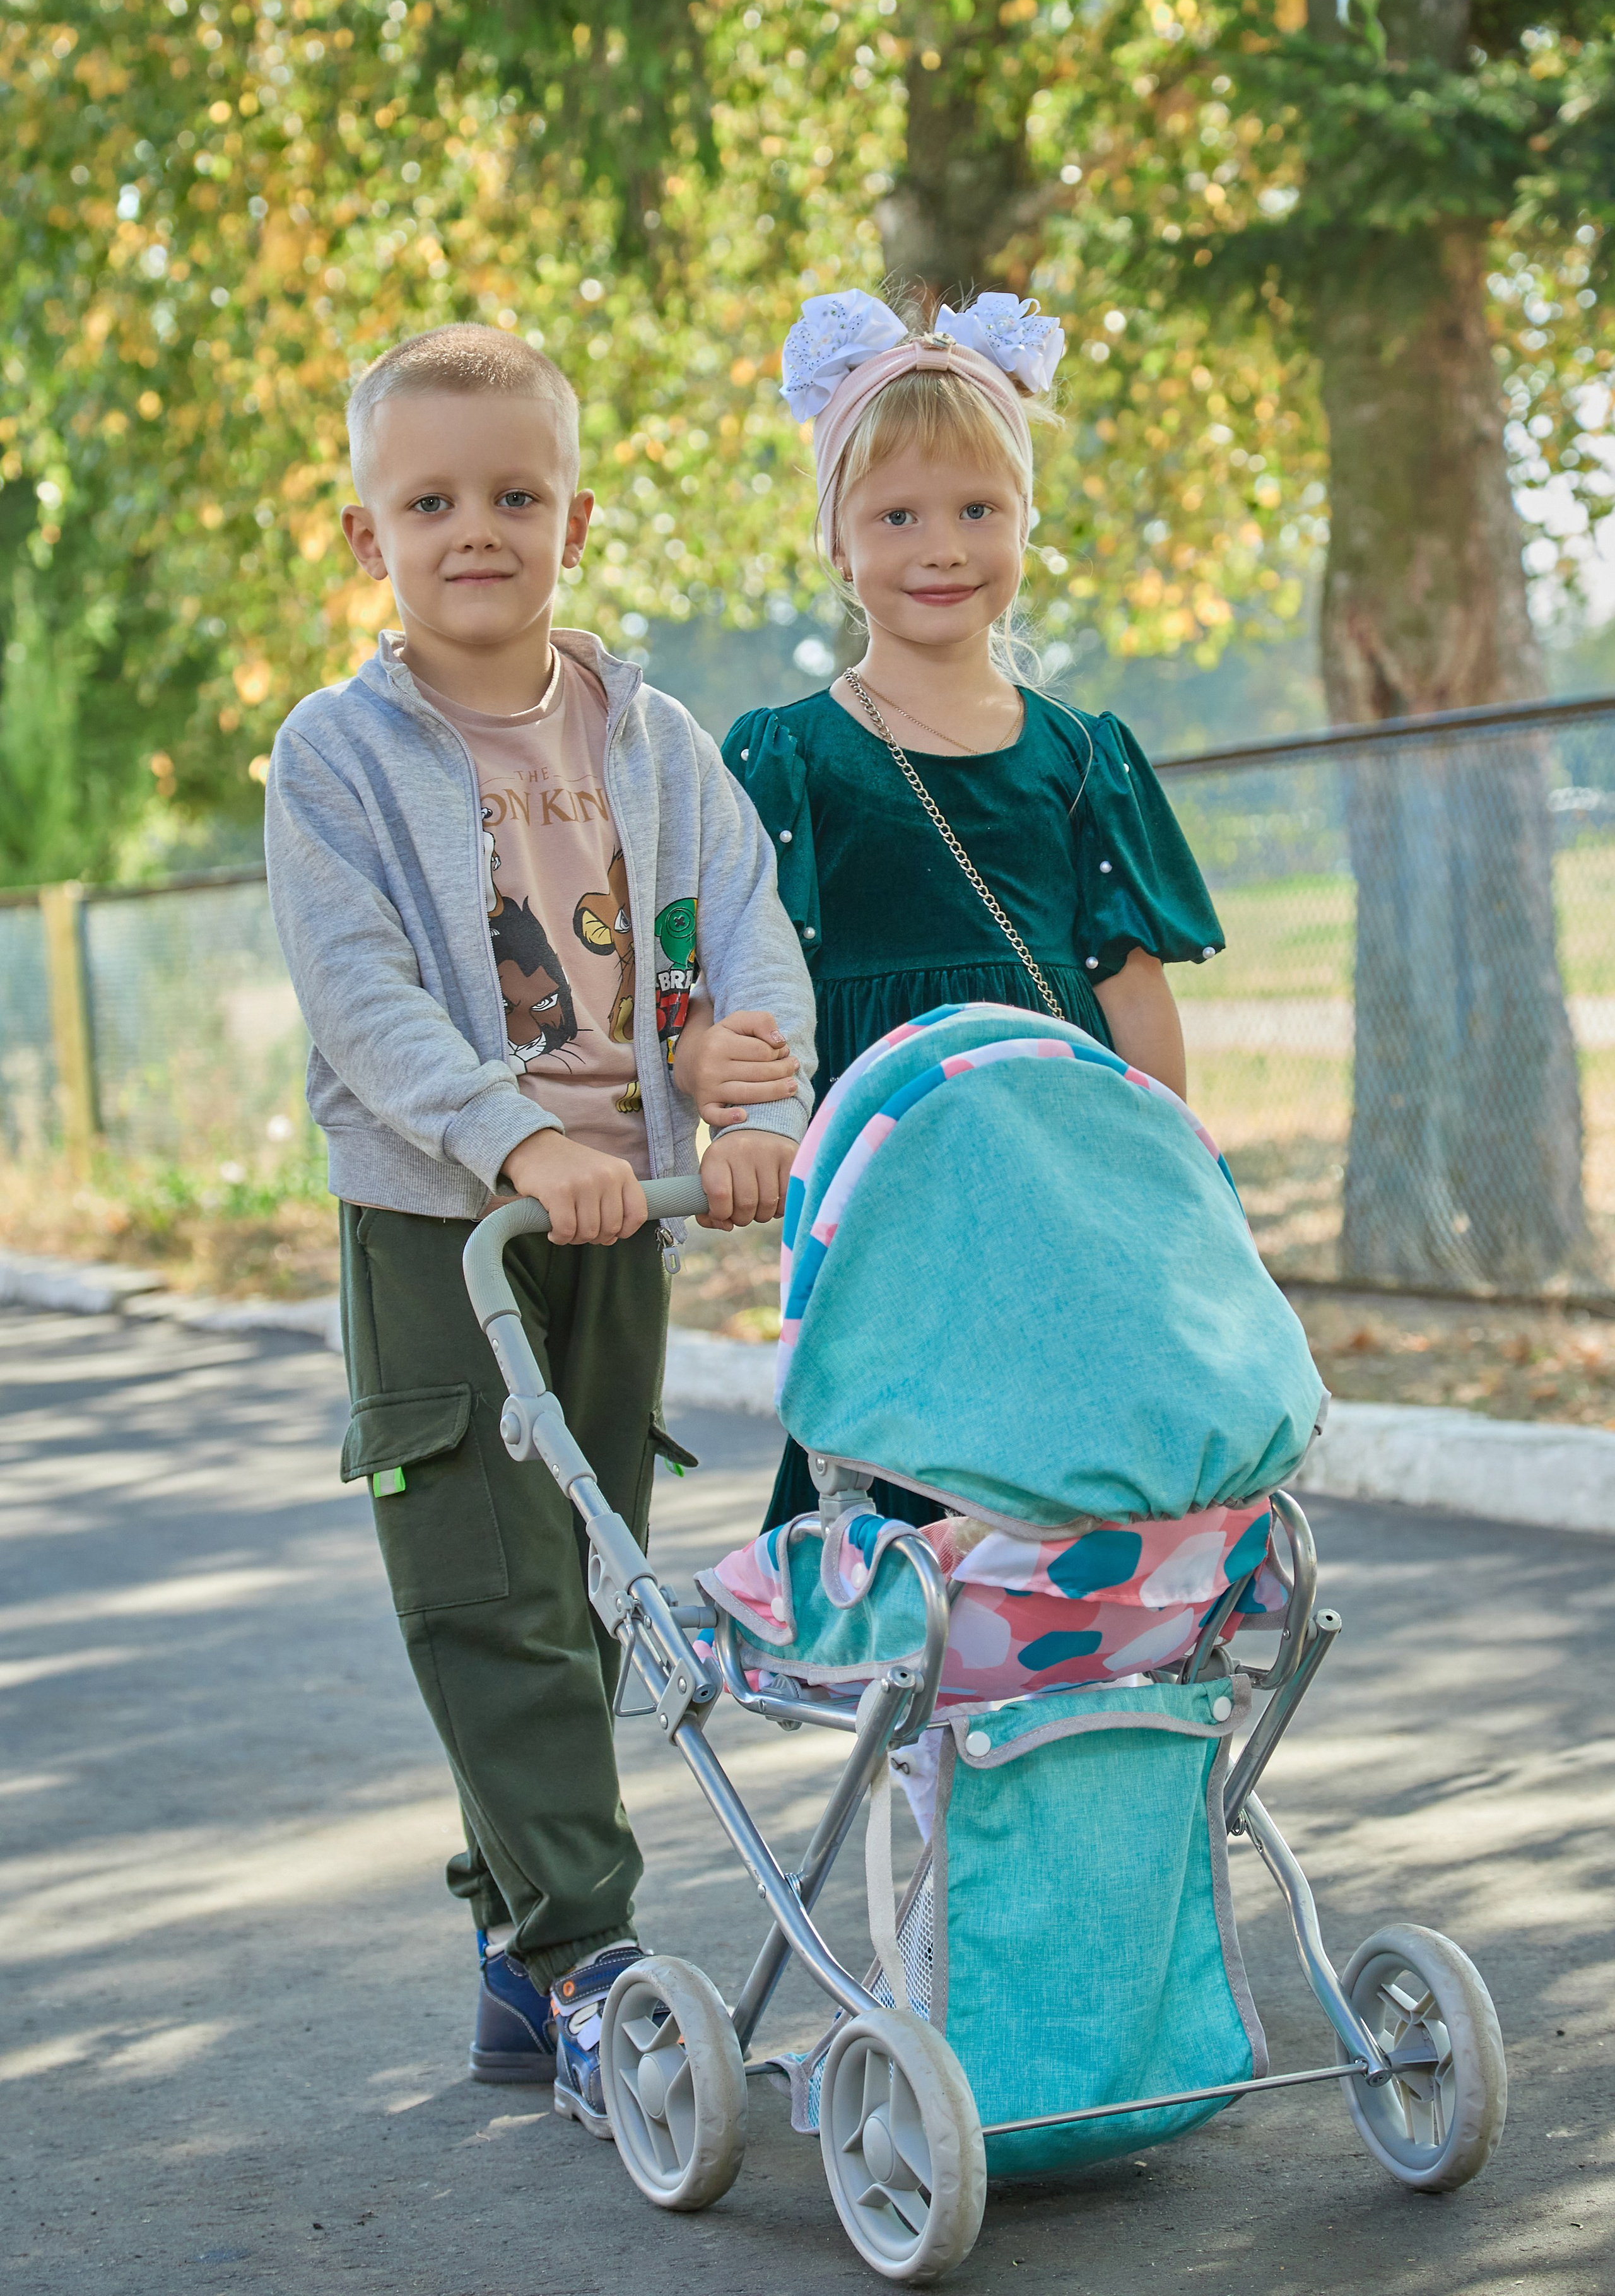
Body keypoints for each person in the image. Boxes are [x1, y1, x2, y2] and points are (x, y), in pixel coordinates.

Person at [264, 323, 815, 2133]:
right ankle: (590, 1958)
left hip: (622, 1212)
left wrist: (756, 1102)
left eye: (513, 495)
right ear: (369, 538)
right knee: (486, 1593)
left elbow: (740, 929)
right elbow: (362, 995)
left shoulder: (646, 736)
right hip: (447, 1226)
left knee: (590, 1587)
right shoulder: (336, 755)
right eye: (431, 501)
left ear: (574, 515)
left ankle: (519, 1961)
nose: (475, 528)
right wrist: (508, 1140)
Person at [712, 289, 1225, 1532]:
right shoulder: (785, 760)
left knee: (1069, 1493)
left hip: (1060, 1176)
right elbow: (744, 975)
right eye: (896, 515)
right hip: (886, 1186)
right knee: (909, 1496)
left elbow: (1128, 989)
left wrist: (1167, 1178)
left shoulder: (1081, 755)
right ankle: (914, 1712)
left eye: (976, 511)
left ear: (1022, 527)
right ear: (837, 541)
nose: (940, 547)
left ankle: (1069, 1707)